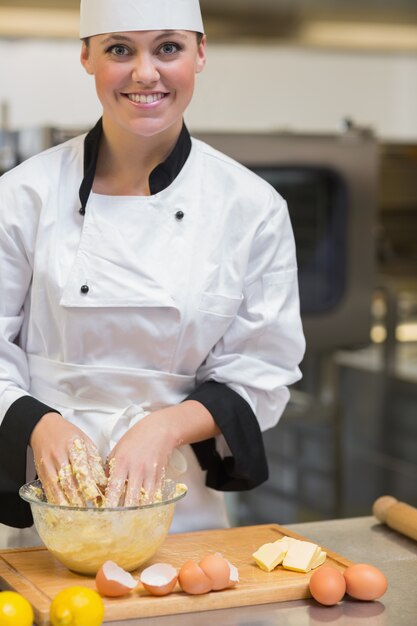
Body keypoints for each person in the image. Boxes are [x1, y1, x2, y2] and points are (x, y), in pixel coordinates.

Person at [0, 0, 305, 535]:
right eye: (120, 49)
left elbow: (263, 371)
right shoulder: (22, 196)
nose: (146, 73)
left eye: (168, 48)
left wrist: (162, 428)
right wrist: (41, 423)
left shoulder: (251, 208)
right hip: (45, 500)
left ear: (200, 53)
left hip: (175, 502)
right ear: (87, 57)